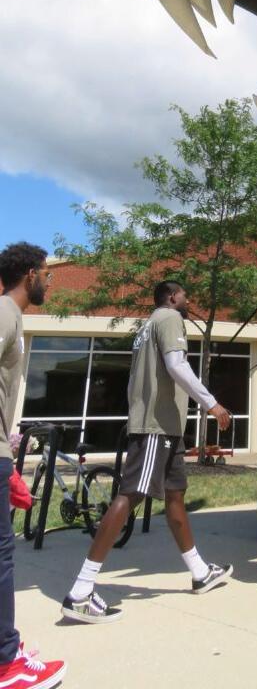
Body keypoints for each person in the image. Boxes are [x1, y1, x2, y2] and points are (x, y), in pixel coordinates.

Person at [62, 280, 232, 623]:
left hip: (163, 427)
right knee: (130, 496)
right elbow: (176, 365)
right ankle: (80, 591)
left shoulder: (146, 327)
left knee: (175, 496)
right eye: (185, 294)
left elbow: (137, 379)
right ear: (172, 297)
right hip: (156, 425)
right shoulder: (169, 318)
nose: (189, 299)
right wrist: (212, 405)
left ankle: (200, 572)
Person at [0, 242, 66, 688]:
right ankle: (7, 665)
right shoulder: (7, 311)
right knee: (2, 557)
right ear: (30, 274)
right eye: (47, 273)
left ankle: (7, 647)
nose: (49, 281)